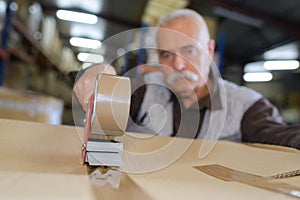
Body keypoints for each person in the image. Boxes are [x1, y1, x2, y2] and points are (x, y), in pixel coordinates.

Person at [72, 9, 300, 149]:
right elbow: (90, 83)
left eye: (189, 50)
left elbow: (280, 137)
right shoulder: (146, 91)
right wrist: (98, 73)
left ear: (210, 50)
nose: (178, 65)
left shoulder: (248, 106)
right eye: (167, 55)